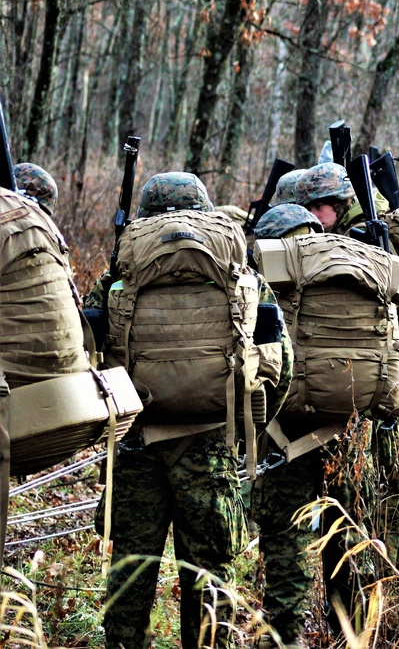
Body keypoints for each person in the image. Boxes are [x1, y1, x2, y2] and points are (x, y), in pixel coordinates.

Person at [94, 172, 292, 649]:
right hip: (213, 443)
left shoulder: (122, 270)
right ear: (203, 209)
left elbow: (89, 349)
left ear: (142, 215)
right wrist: (249, 425)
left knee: (130, 573)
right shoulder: (239, 272)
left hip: (136, 442)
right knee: (209, 578)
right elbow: (281, 361)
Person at [253, 198, 383, 646]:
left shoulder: (266, 275)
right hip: (347, 433)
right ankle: (355, 635)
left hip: (284, 433)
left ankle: (284, 639)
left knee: (288, 551)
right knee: (348, 542)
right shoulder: (360, 268)